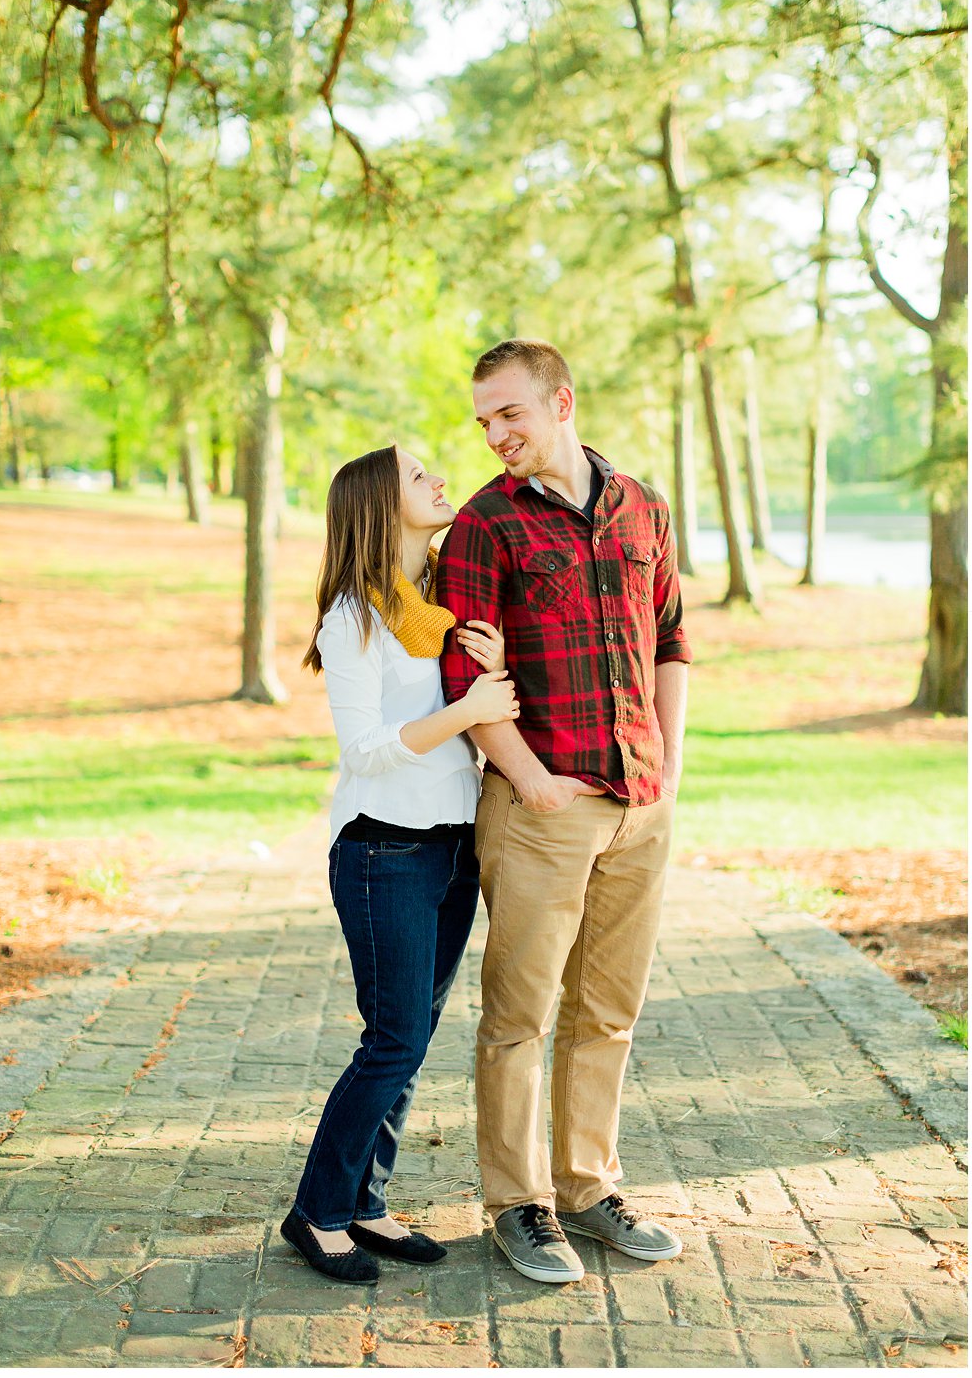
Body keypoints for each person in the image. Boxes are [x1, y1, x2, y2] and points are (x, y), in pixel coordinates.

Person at [435, 338, 691, 1283]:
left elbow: (671, 639)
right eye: (484, 421)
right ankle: (518, 1203)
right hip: (541, 810)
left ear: (562, 402)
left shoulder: (641, 506)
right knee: (520, 1014)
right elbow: (463, 677)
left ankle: (588, 1187)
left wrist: (670, 761)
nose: (496, 434)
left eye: (510, 414)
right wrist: (532, 780)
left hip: (639, 802)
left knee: (609, 1011)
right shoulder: (484, 524)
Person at [282, 445, 518, 1284]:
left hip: (451, 847)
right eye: (420, 476)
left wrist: (485, 679)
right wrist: (467, 709)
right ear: (382, 506)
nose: (440, 481)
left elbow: (463, 706)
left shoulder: (434, 608)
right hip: (384, 847)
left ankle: (367, 1201)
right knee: (393, 1039)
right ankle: (316, 1212)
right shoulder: (350, 618)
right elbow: (368, 750)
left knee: (409, 1044)